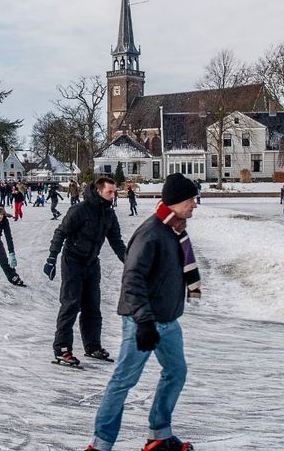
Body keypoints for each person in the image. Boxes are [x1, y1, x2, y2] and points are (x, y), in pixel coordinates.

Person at [86, 173, 200, 451]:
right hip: (143, 321)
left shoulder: (175, 230)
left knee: (176, 372)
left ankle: (159, 435)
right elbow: (132, 278)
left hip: (167, 321)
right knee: (123, 381)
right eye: (190, 200)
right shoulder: (152, 233)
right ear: (174, 202)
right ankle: (100, 445)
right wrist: (144, 321)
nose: (195, 204)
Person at [45, 178, 128, 366]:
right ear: (99, 191)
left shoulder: (109, 214)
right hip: (72, 260)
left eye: (114, 192)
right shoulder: (80, 210)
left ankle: (92, 346)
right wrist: (52, 258)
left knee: (92, 306)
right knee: (71, 304)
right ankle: (62, 349)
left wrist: (130, 263)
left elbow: (116, 241)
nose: (113, 196)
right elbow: (61, 232)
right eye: (110, 192)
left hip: (91, 262)